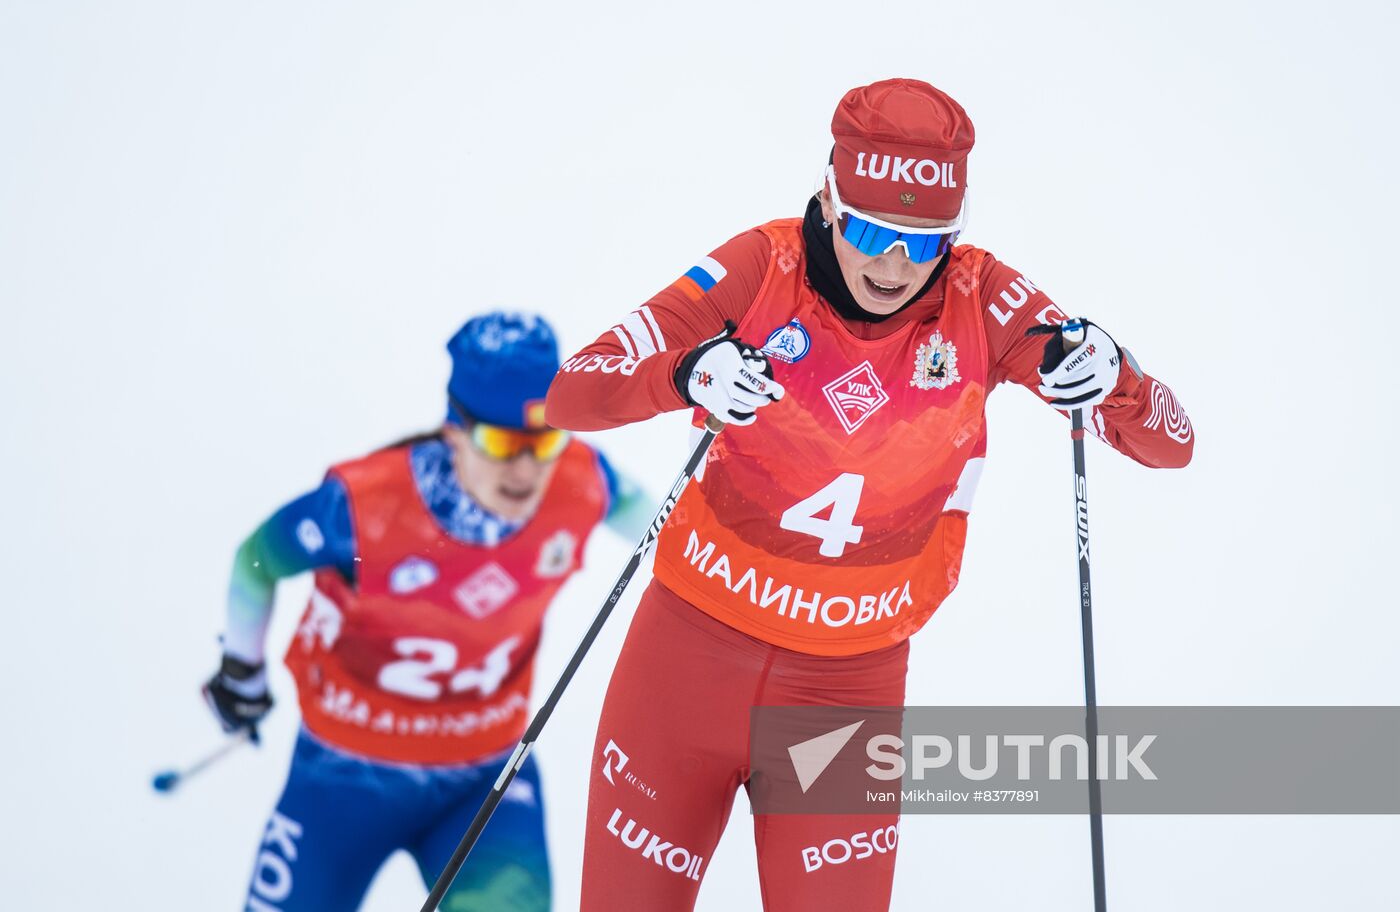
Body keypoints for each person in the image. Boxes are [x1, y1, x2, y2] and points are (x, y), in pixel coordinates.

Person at [545, 78, 1195, 911]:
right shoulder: (758, 268)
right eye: (869, 231)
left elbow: (1169, 445)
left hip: (846, 692)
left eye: (924, 244)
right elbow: (571, 390)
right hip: (684, 662)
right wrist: (684, 372)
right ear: (828, 197)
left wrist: (1117, 375)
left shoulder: (985, 300)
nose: (893, 265)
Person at [203, 311, 652, 912]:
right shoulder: (365, 508)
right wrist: (241, 671)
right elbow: (258, 558)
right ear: (455, 430)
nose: (526, 469)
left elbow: (679, 536)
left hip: (484, 777)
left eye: (545, 439)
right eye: (501, 443)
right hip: (343, 776)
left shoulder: (586, 481)